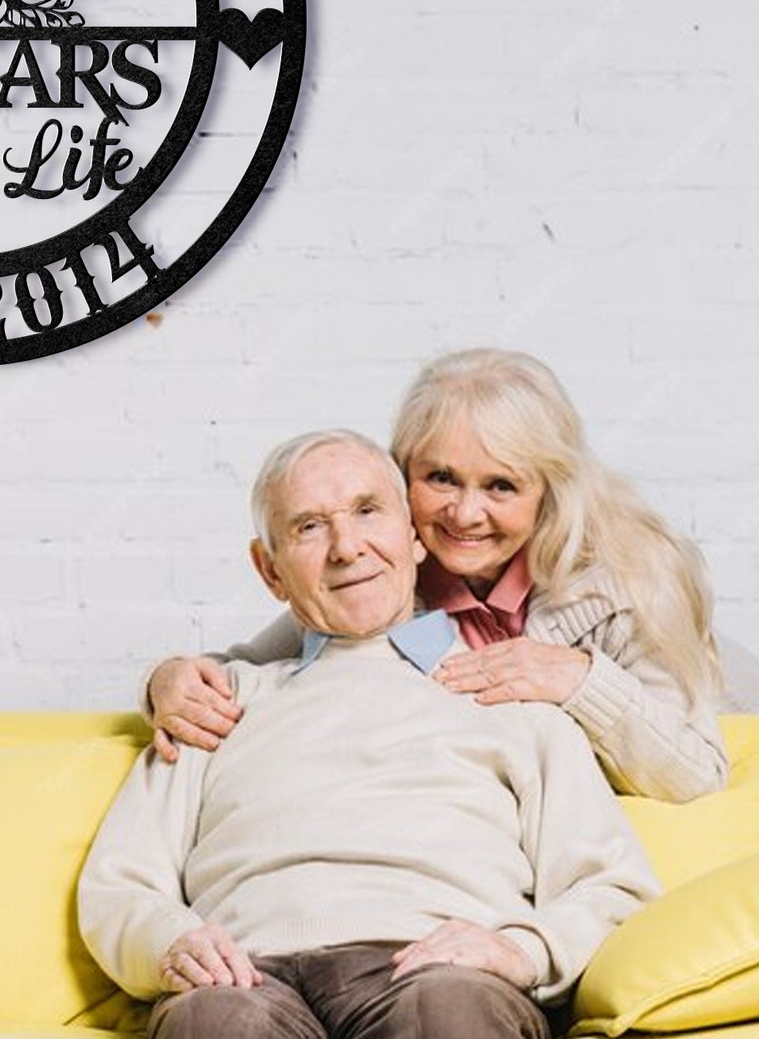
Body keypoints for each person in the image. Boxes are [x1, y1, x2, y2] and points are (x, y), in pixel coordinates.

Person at [80, 430, 658, 1039]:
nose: (346, 548)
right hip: (246, 976)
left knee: (448, 1014)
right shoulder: (213, 704)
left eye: (367, 511)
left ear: (414, 536)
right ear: (270, 570)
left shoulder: (513, 698)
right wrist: (170, 941)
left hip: (436, 971)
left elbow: (612, 885)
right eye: (309, 527)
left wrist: (523, 949)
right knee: (215, 1021)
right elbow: (122, 883)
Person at [148, 350, 727, 801]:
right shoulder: (386, 579)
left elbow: (698, 773)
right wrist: (165, 683)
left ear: (549, 492)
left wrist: (577, 679)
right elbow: (244, 670)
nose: (465, 514)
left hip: (710, 675)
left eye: (501, 486)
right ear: (402, 476)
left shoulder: (631, 579)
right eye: (441, 478)